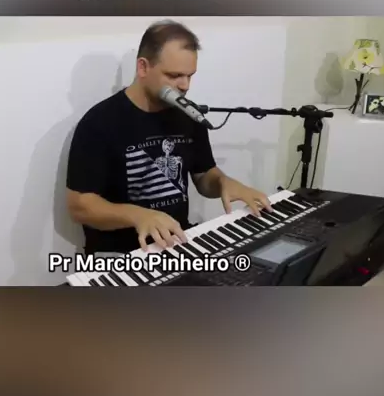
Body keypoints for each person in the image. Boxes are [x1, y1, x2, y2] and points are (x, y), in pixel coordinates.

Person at [66, 20, 271, 256]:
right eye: (174, 76)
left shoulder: (188, 113)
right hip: (122, 255)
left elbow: (204, 175)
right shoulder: (100, 122)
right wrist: (138, 215)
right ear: (143, 67)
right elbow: (79, 206)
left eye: (190, 76)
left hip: (176, 244)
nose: (184, 85)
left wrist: (223, 182)